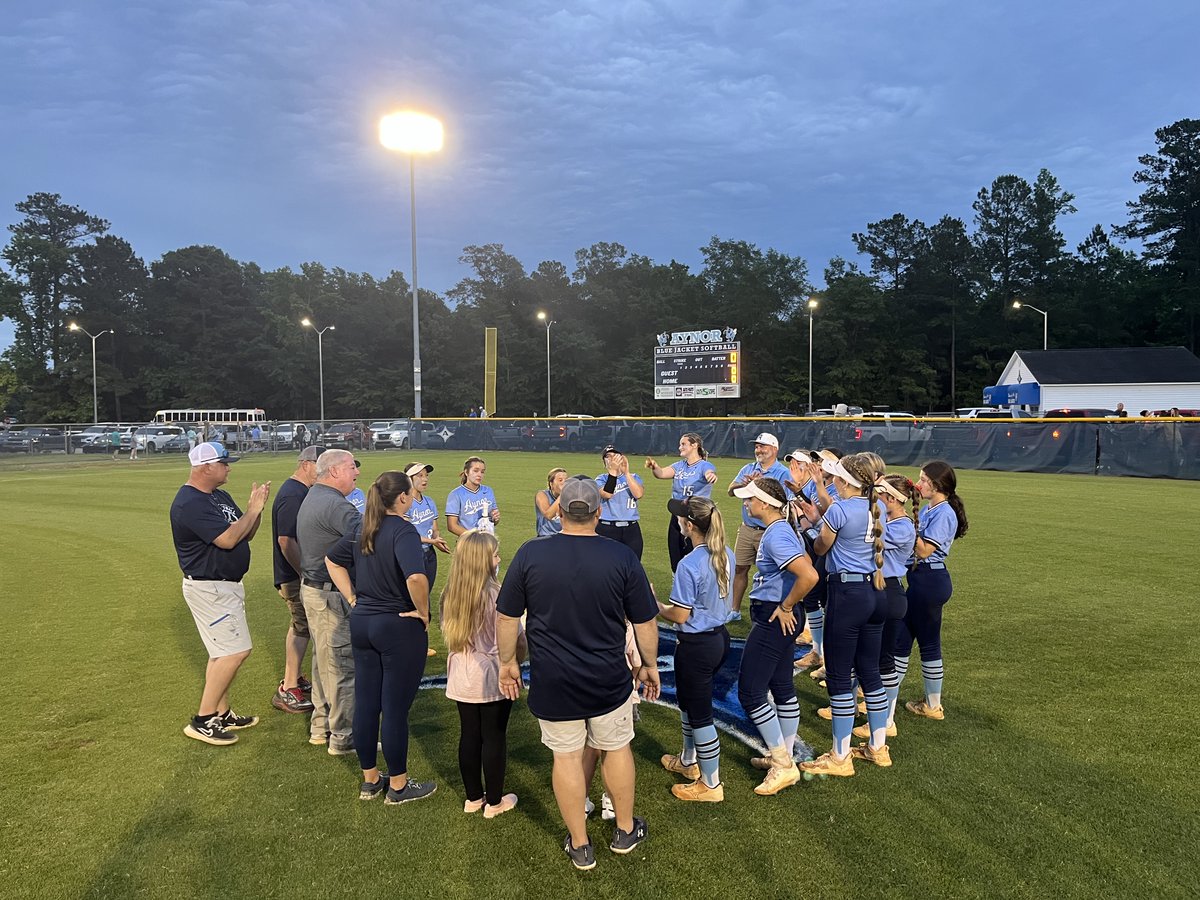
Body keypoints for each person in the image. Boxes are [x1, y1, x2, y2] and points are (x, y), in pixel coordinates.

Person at [496, 477, 660, 871]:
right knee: (616, 748)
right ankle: (623, 830)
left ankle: (580, 843)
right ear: (599, 513)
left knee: (566, 757)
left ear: (561, 510)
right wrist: (649, 665)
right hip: (607, 677)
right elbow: (645, 621)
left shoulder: (531, 553)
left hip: (555, 679)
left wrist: (506, 662)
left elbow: (505, 616)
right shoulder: (620, 557)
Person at [325, 471, 436, 805]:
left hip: (362, 623)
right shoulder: (402, 529)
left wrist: (354, 598)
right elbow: (416, 577)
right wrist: (424, 612)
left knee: (367, 703)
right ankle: (399, 786)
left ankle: (370, 781)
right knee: (395, 709)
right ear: (402, 497)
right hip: (396, 625)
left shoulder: (363, 527)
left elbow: (332, 560)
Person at [170, 441, 271, 745]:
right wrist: (251, 510)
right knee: (234, 651)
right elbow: (228, 540)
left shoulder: (218, 496)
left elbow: (246, 531)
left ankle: (222, 711)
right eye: (224, 463)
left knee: (221, 652)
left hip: (225, 585)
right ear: (205, 468)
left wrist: (256, 510)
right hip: (210, 587)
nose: (229, 467)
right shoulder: (189, 503)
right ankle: (203, 720)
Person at [801, 453, 891, 777]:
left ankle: (840, 756)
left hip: (848, 593)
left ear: (843, 482)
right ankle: (877, 748)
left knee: (840, 674)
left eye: (836, 477)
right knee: (870, 670)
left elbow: (822, 547)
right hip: (875, 590)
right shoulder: (875, 507)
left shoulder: (840, 509)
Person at [731, 476, 819, 794]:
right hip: (781, 617)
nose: (745, 503)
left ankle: (783, 764)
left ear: (766, 504)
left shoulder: (775, 534)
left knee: (751, 692)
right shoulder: (782, 528)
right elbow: (807, 561)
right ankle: (782, 754)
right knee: (782, 687)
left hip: (775, 618)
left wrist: (786, 605)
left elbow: (809, 574)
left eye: (750, 499)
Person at [442, 530, 525, 817]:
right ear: (482, 561)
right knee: (494, 736)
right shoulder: (497, 594)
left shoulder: (450, 592)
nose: (499, 558)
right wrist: (517, 661)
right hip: (491, 672)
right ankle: (494, 801)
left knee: (470, 734)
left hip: (462, 673)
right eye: (495, 554)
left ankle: (473, 797)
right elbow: (515, 637)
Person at [656, 496, 734, 802]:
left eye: (680, 518)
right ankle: (689, 763)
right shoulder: (724, 552)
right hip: (718, 638)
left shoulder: (689, 563)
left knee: (700, 713)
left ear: (689, 525)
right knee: (689, 704)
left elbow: (680, 614)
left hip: (697, 645)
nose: (677, 522)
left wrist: (657, 606)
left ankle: (711, 785)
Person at [296, 448, 362, 754]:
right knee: (340, 667)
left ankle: (321, 727)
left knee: (323, 662)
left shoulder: (313, 496)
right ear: (334, 471)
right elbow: (371, 536)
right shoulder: (336, 506)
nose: (357, 472)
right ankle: (343, 737)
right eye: (351, 467)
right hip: (330, 595)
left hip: (313, 589)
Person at [893, 460, 968, 721]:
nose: (918, 483)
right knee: (923, 641)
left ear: (937, 485)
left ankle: (886, 704)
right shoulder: (931, 508)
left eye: (924, 479)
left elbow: (924, 550)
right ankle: (931, 705)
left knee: (906, 641)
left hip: (928, 580)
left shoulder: (944, 512)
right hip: (925, 580)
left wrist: (902, 521)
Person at [855, 473, 918, 742]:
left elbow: (868, 536)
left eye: (880, 494)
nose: (876, 499)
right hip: (882, 590)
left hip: (889, 592)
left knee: (884, 661)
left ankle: (886, 719)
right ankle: (877, 713)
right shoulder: (893, 520)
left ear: (891, 498)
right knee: (872, 658)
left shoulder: (902, 527)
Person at [269, 445, 320, 714]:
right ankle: (288, 687)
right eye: (319, 466)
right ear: (306, 464)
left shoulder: (301, 491)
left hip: (296, 573)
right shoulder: (293, 493)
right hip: (293, 575)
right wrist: (304, 573)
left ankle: (295, 678)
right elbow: (286, 540)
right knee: (302, 626)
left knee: (302, 626)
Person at [727, 432, 792, 619]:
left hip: (769, 530)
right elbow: (730, 491)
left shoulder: (783, 472)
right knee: (740, 568)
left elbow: (784, 500)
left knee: (775, 571)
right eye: (757, 446)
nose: (758, 450)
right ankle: (734, 610)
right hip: (747, 528)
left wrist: (758, 486)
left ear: (774, 449)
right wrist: (744, 485)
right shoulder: (748, 468)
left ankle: (778, 606)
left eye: (762, 446)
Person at [645, 432, 718, 572]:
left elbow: (709, 472)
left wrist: (710, 475)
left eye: (683, 444)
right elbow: (661, 474)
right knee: (675, 550)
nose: (680, 447)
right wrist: (655, 467)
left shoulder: (704, 465)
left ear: (694, 445)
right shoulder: (679, 465)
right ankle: (677, 579)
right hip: (678, 514)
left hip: (696, 516)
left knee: (695, 551)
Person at [596, 445, 645, 559]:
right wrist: (613, 472)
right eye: (608, 457)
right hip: (607, 528)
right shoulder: (600, 479)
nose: (612, 459)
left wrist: (626, 473)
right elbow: (607, 494)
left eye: (615, 455)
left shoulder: (633, 477)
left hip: (631, 529)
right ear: (604, 463)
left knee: (633, 563)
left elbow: (638, 494)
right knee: (608, 564)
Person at [446, 456, 501, 536]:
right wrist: (474, 537)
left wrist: (495, 518)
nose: (479, 475)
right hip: (467, 543)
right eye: (475, 471)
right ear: (466, 472)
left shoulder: (488, 491)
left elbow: (494, 521)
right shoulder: (456, 494)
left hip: (487, 541)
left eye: (482, 472)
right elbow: (452, 526)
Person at [534, 467, 568, 536]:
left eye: (567, 480)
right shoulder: (542, 495)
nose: (564, 483)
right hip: (545, 537)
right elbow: (548, 515)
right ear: (551, 484)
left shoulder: (571, 497)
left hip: (563, 537)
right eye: (560, 480)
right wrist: (563, 495)